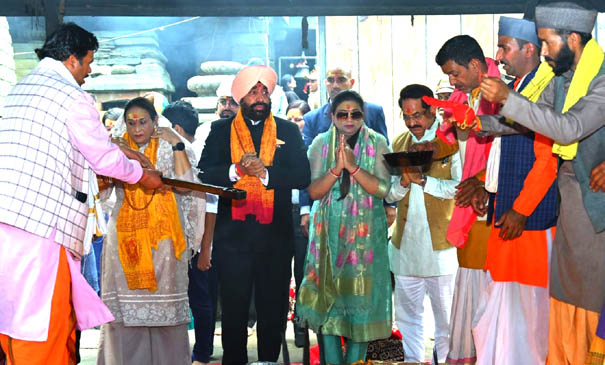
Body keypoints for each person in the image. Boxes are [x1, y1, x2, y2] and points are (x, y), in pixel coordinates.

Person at [0, 23, 163, 364]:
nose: (89, 71)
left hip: (9, 222)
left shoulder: (19, 90)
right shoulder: (73, 96)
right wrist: (141, 175)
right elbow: (102, 159)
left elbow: (80, 147)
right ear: (72, 59)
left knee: (11, 318)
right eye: (89, 62)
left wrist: (124, 152)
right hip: (42, 229)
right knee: (44, 322)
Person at [478, 2, 605, 363]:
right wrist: (480, 124)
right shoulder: (563, 79)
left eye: (548, 43)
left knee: (589, 301)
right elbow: (530, 117)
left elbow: (568, 129)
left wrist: (506, 98)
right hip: (571, 208)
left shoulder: (601, 81)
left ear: (574, 39)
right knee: (564, 297)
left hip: (594, 210)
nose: (544, 51)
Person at [457, 17, 557, 365]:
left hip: (529, 219)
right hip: (509, 213)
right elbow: (508, 129)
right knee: (500, 308)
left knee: (528, 316)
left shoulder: (546, 88)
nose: (498, 55)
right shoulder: (523, 85)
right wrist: (473, 122)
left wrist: (521, 209)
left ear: (530, 49)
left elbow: (546, 161)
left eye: (505, 47)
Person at [197, 64, 310, 364]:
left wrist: (266, 174)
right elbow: (205, 173)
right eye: (252, 91)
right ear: (240, 97)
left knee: (273, 311)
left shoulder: (286, 129)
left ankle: (268, 361)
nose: (260, 97)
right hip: (232, 239)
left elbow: (302, 175)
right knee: (233, 312)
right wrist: (236, 170)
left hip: (275, 238)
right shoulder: (220, 130)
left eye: (264, 91)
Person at [97, 97, 200, 364]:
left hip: (164, 243)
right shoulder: (116, 150)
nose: (137, 128)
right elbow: (101, 190)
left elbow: (186, 187)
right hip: (125, 241)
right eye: (131, 123)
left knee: (166, 312)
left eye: (143, 121)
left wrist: (177, 142)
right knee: (125, 315)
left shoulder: (170, 145)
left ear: (155, 121)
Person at [296, 90, 392, 363]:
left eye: (356, 114)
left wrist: (354, 167)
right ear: (331, 116)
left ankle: (356, 362)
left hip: (364, 238)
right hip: (327, 235)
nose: (349, 120)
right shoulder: (318, 145)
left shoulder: (378, 142)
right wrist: (338, 168)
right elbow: (313, 192)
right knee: (328, 305)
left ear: (363, 115)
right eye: (343, 114)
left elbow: (382, 188)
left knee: (360, 302)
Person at [429, 34, 501, 365]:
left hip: (495, 203)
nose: (451, 81)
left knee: (491, 291)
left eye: (454, 73)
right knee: (472, 280)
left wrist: (484, 183)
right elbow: (449, 137)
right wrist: (428, 149)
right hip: (469, 199)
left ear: (475, 65)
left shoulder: (500, 94)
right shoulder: (463, 93)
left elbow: (516, 147)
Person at [387, 84, 461, 363]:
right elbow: (390, 194)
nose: (412, 122)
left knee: (446, 323)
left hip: (442, 248)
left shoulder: (450, 142)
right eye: (407, 116)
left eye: (418, 115)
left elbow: (460, 188)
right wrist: (404, 183)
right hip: (405, 247)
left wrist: (425, 182)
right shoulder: (398, 143)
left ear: (433, 111)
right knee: (407, 319)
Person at [163, 100, 216, 365]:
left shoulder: (193, 155)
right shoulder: (174, 154)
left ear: (176, 129)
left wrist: (205, 247)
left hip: (193, 240)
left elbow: (211, 205)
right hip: (176, 239)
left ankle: (203, 353)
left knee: (199, 298)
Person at [284, 99, 312, 347]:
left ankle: (302, 327)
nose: (294, 123)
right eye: (290, 118)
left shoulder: (313, 147)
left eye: (299, 118)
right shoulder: (277, 146)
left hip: (304, 216)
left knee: (303, 273)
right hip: (281, 215)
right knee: (280, 273)